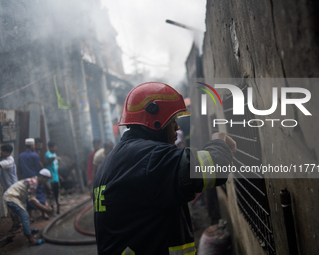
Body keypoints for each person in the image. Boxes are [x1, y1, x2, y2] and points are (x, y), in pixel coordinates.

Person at [93, 82, 236, 255]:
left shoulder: (113, 162)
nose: (177, 126)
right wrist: (220, 143)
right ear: (155, 120)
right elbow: (215, 166)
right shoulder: (149, 158)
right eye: (172, 120)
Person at [3, 169, 53, 246]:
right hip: (11, 197)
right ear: (41, 177)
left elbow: (33, 198)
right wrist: (44, 208)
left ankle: (28, 230)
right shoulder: (34, 183)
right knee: (25, 215)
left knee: (24, 213)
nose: (45, 182)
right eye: (46, 179)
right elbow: (32, 200)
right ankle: (31, 240)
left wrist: (43, 207)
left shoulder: (34, 181)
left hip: (14, 197)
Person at [18, 138, 48, 221]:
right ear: (32, 145)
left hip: (26, 179)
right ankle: (44, 213)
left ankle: (30, 216)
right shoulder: (35, 155)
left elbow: (19, 168)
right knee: (40, 195)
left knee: (29, 197)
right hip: (35, 179)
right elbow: (38, 168)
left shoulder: (21, 156)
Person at [45, 141, 62, 214]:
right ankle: (52, 210)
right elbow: (50, 158)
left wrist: (59, 176)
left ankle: (58, 209)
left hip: (56, 178)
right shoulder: (48, 154)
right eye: (54, 147)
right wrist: (56, 158)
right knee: (51, 195)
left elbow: (56, 167)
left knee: (57, 194)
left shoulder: (54, 154)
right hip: (50, 179)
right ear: (50, 147)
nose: (55, 148)